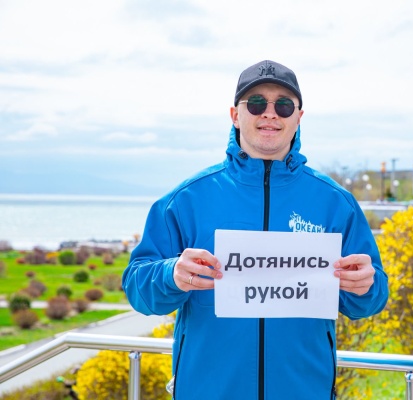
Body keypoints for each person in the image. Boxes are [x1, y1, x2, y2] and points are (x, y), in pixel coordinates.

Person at [122, 60, 389, 400]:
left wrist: (366, 286)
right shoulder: (186, 200)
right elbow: (137, 288)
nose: (270, 113)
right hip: (208, 391)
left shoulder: (336, 203)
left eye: (284, 105)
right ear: (235, 115)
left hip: (304, 391)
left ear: (298, 117)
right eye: (257, 103)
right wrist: (171, 274)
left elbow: (371, 298)